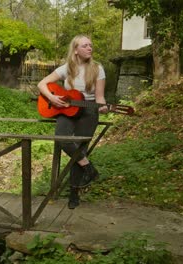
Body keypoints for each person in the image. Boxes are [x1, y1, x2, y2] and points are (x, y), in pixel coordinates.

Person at [37, 35, 108, 209]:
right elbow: (42, 84)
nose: (89, 48)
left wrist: (103, 107)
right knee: (62, 139)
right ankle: (89, 168)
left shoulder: (98, 69)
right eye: (85, 46)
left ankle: (74, 194)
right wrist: (52, 98)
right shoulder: (66, 68)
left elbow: (100, 97)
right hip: (66, 109)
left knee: (80, 149)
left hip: (89, 109)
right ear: (76, 50)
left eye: (91, 45)